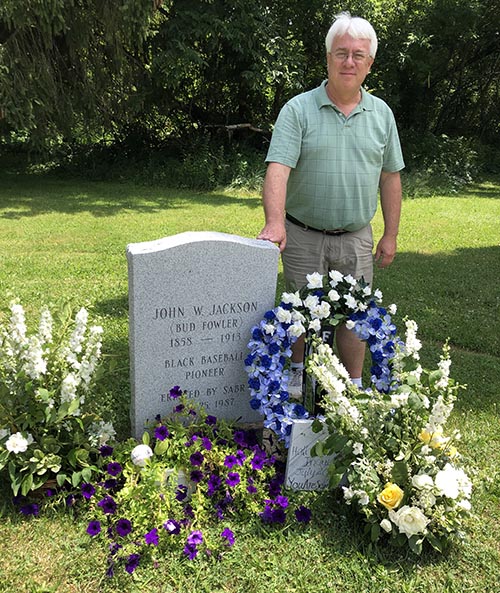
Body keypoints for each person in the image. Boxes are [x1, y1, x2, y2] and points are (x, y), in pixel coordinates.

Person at [257, 11, 404, 397]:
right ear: (327, 58)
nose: (349, 61)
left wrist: (390, 233)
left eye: (358, 55)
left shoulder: (382, 115)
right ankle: (295, 378)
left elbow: (391, 177)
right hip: (303, 234)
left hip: (356, 237)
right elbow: (278, 169)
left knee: (355, 317)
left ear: (370, 64)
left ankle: (353, 385)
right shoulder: (298, 110)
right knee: (299, 314)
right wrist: (274, 222)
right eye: (341, 53)